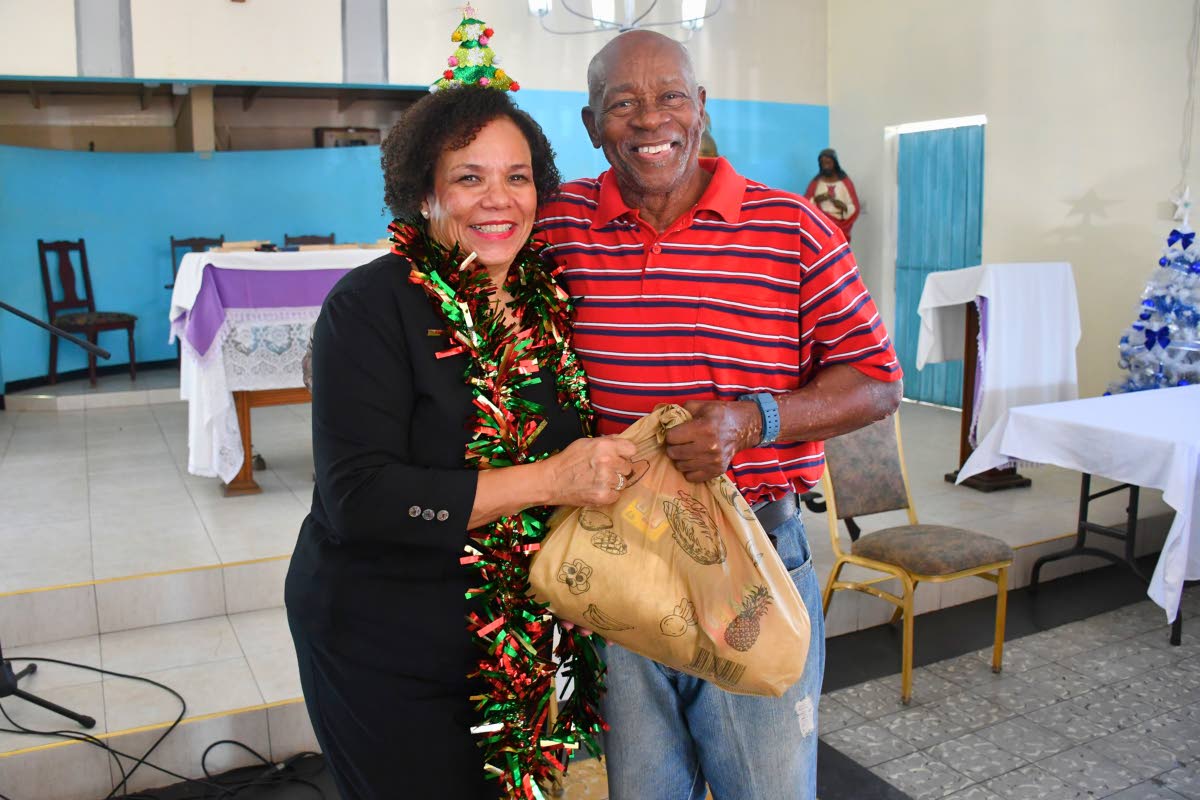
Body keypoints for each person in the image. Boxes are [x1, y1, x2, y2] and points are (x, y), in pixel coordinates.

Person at [536, 30, 902, 800]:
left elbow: (877, 380)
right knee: (644, 787)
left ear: (700, 108)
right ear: (589, 124)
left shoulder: (793, 227)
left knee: (765, 787)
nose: (648, 121)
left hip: (756, 549)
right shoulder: (560, 226)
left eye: (670, 96)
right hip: (618, 551)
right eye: (622, 104)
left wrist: (753, 420)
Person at [285, 85, 636, 800]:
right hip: (386, 639)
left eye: (517, 177)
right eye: (469, 178)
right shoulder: (368, 307)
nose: (497, 200)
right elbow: (360, 498)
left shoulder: (553, 301)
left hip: (523, 637)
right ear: (423, 192)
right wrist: (551, 480)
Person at [805, 147, 860, 241]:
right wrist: (817, 199)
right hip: (821, 225)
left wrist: (843, 207)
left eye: (828, 163)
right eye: (822, 163)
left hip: (840, 225)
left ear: (835, 163)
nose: (825, 166)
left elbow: (855, 207)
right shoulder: (816, 182)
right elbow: (806, 204)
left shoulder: (845, 182)